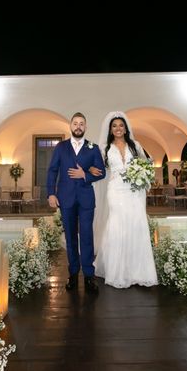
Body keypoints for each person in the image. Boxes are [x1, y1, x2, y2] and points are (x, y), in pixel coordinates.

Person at [93, 112, 158, 289]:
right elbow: (99, 168)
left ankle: (139, 271)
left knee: (136, 224)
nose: (118, 128)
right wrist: (88, 170)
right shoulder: (104, 148)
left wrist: (143, 173)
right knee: (117, 224)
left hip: (134, 190)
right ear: (110, 129)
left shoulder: (135, 145)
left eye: (121, 125)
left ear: (126, 128)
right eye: (115, 126)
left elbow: (147, 162)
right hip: (115, 190)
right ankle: (117, 271)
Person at [47, 112, 106, 293]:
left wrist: (85, 175)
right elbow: (52, 171)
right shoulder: (61, 147)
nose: (78, 126)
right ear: (70, 126)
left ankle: (89, 276)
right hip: (65, 198)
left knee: (87, 236)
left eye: (82, 123)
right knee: (71, 237)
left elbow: (102, 172)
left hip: (86, 199)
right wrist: (51, 193)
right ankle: (73, 274)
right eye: (75, 123)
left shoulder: (93, 148)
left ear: (85, 127)